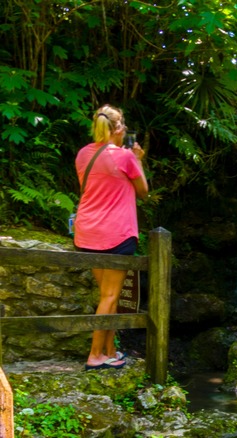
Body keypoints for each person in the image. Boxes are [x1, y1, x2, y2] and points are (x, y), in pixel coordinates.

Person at [74, 104, 148, 370]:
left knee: (108, 296)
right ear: (118, 128)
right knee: (109, 296)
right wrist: (138, 159)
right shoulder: (125, 157)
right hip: (116, 233)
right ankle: (95, 356)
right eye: (124, 124)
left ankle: (109, 350)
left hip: (88, 232)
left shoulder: (83, 154)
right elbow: (143, 191)